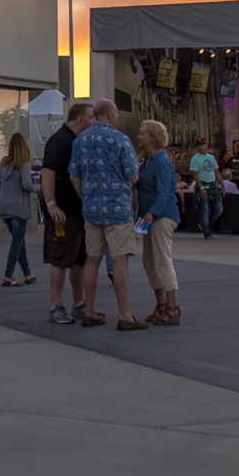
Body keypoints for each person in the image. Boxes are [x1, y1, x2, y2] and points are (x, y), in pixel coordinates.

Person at [69, 99, 145, 331]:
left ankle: (90, 312)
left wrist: (87, 198)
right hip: (118, 210)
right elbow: (132, 174)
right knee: (120, 260)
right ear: (111, 115)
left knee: (92, 260)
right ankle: (124, 316)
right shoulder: (120, 139)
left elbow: (74, 175)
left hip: (92, 210)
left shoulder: (81, 139)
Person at [40, 103, 91, 324]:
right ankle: (56, 305)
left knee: (79, 259)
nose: (93, 122)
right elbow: (48, 172)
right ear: (79, 120)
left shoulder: (76, 140)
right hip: (63, 211)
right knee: (60, 258)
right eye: (91, 118)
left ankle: (79, 303)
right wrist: (51, 204)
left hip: (78, 211)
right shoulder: (61, 140)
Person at [135, 120, 181, 325]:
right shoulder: (149, 159)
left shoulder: (161, 161)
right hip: (150, 216)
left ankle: (172, 307)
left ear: (152, 138)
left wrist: (152, 213)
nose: (139, 137)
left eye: (142, 134)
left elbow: (164, 193)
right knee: (149, 262)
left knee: (162, 260)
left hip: (162, 216)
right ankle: (161, 303)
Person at [0, 132, 39, 287]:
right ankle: (8, 275)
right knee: (16, 242)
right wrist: (39, 187)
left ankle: (27, 273)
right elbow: (27, 185)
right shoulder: (24, 164)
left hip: (4, 206)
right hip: (19, 207)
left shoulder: (3, 163)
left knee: (19, 241)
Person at [188, 140, 219, 238]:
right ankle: (207, 233)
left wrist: (222, 184)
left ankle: (205, 226)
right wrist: (201, 187)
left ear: (207, 145)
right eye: (199, 145)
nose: (201, 147)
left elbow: (216, 171)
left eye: (203, 144)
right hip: (203, 185)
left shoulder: (211, 157)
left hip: (212, 185)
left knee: (219, 208)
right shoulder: (195, 158)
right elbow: (194, 174)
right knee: (204, 210)